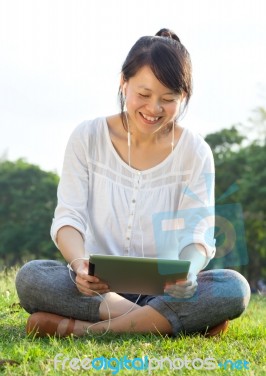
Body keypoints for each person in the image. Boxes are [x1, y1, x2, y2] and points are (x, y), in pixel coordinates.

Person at [15, 29, 250, 338]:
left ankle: (88, 331)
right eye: (144, 94)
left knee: (233, 287)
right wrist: (80, 263)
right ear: (123, 83)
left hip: (164, 291)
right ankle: (163, 324)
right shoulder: (87, 137)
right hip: (98, 290)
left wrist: (188, 273)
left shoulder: (195, 152)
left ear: (184, 98)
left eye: (168, 99)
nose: (154, 109)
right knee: (32, 277)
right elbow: (68, 218)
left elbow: (199, 235)